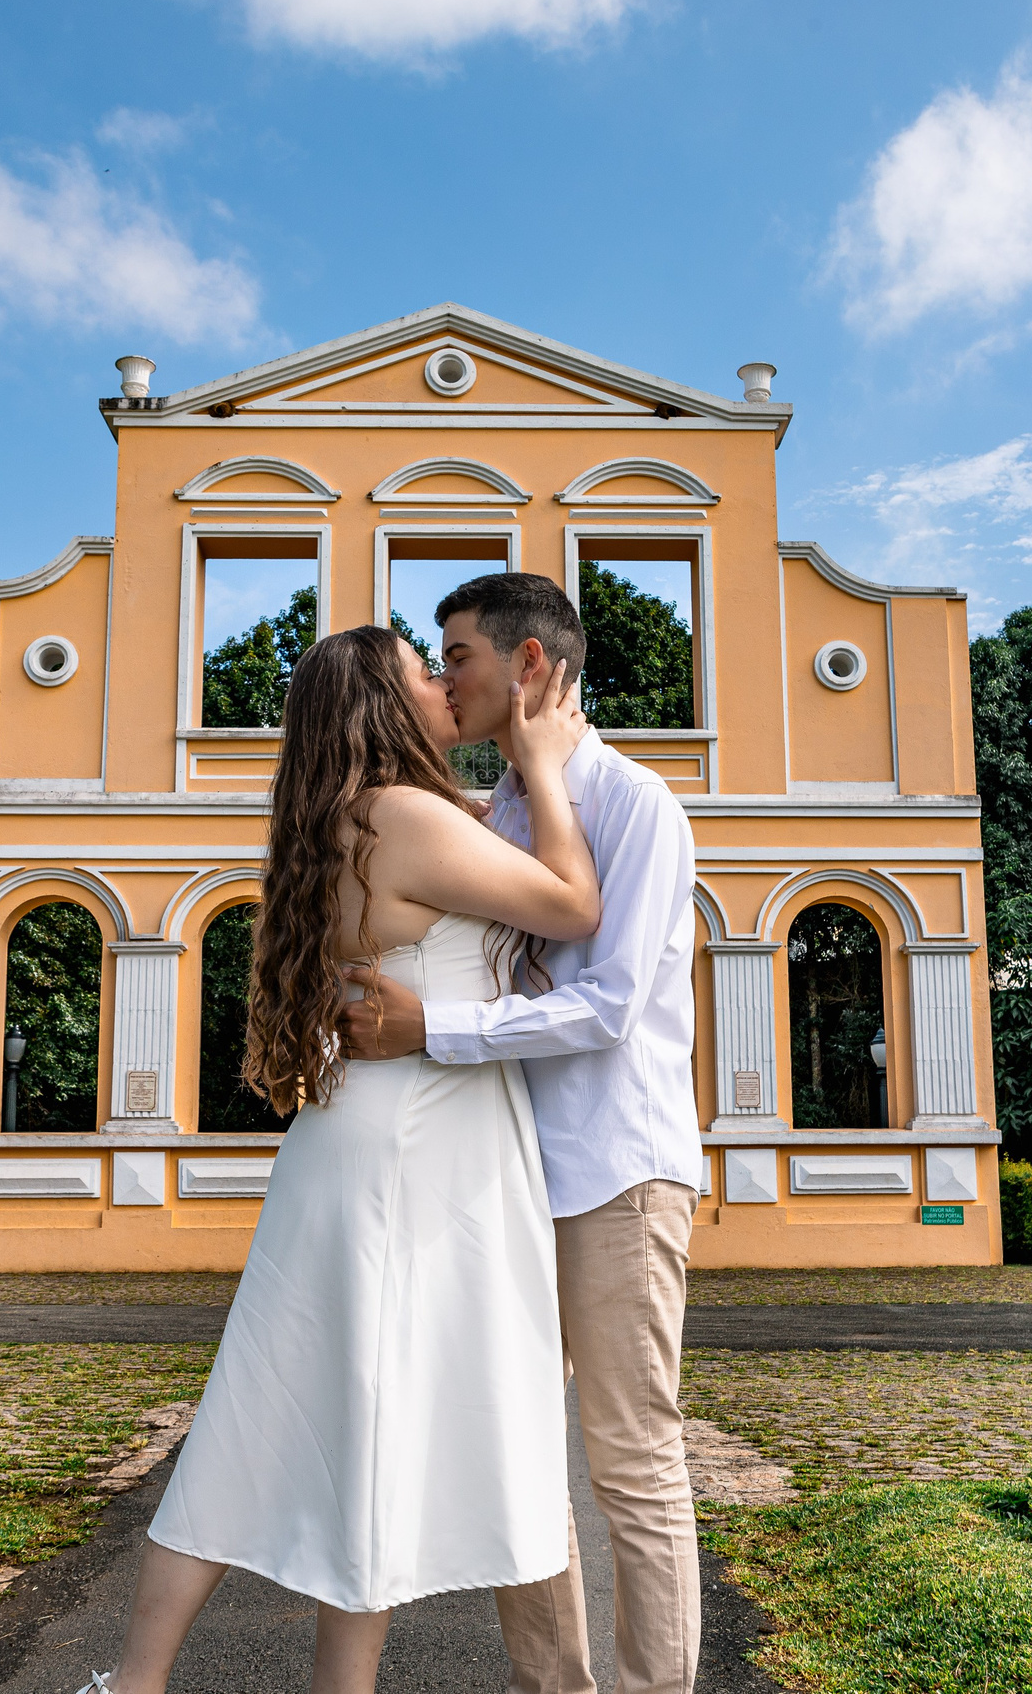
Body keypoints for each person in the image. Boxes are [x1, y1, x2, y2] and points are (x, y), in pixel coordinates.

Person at [82, 624, 601, 1694]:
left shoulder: (339, 818)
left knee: (299, 1419)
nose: (443, 684)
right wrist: (545, 770)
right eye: (424, 670)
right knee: (359, 1416)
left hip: (364, 1145)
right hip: (418, 1150)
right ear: (384, 702)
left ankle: (137, 1686)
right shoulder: (407, 816)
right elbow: (572, 906)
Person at [339, 571, 704, 1694]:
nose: (444, 679)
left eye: (457, 657)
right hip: (494, 1174)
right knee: (515, 1454)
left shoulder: (636, 802)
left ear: (530, 664)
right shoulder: (488, 814)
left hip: (612, 1169)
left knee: (631, 1459)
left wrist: (428, 1028)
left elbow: (608, 1006)